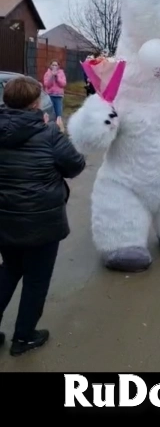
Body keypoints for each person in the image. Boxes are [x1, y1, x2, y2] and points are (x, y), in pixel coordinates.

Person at [0, 76, 85, 356]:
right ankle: (23, 337)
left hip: (5, 220)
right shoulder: (49, 134)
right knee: (36, 280)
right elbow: (75, 166)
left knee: (10, 270)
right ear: (36, 103)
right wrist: (59, 132)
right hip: (42, 223)